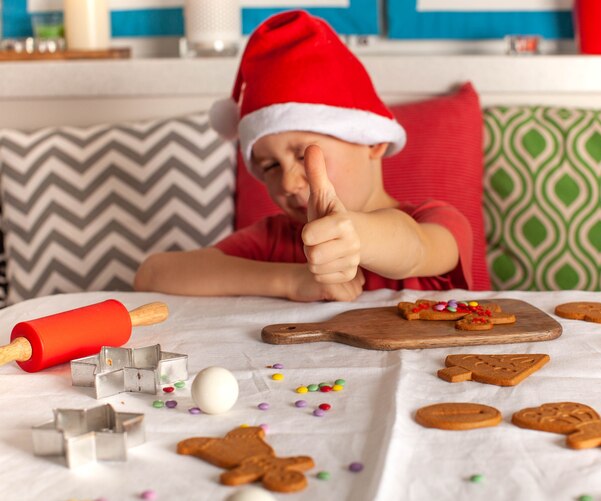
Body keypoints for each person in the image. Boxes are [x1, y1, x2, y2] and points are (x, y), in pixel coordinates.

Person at [134, 9, 474, 302]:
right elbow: (152, 275)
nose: (289, 182)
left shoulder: (438, 221)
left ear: (372, 141)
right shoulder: (278, 238)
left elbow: (417, 249)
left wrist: (356, 235)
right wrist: (292, 280)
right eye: (269, 165)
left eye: (303, 155)